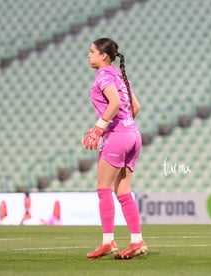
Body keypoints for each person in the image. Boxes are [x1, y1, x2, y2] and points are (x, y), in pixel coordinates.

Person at [83, 37, 147, 259]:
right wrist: (125, 128)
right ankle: (137, 241)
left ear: (104, 56)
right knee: (124, 192)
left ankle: (108, 241)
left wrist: (99, 128)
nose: (89, 55)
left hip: (118, 137)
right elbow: (135, 106)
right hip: (134, 134)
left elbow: (115, 103)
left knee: (103, 189)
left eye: (92, 51)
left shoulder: (102, 75)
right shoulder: (120, 75)